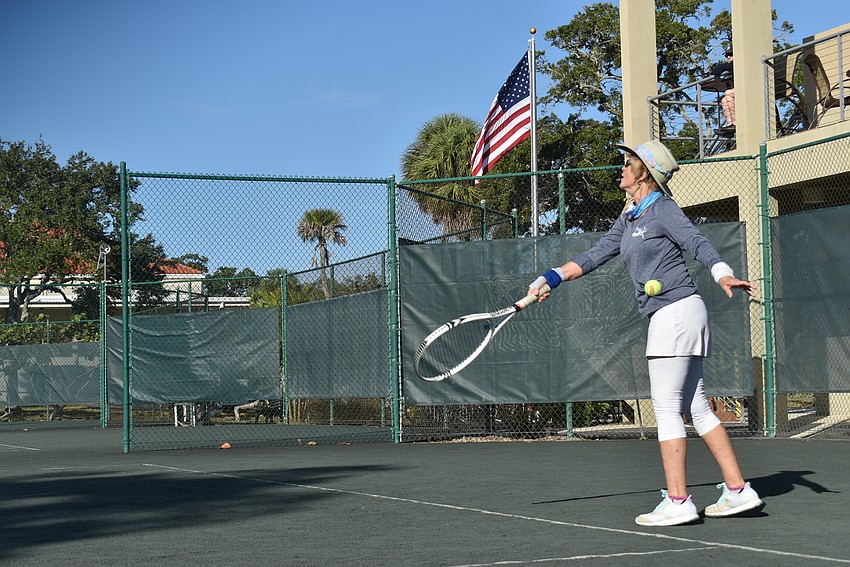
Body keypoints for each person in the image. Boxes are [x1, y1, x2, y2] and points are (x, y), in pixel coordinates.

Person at [528, 140, 762, 527]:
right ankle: (739, 491)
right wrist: (548, 278)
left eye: (628, 163)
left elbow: (697, 242)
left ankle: (678, 501)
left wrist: (722, 273)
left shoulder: (664, 210)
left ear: (645, 173)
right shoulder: (630, 218)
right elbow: (592, 256)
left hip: (675, 313)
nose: (621, 169)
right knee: (697, 407)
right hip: (678, 314)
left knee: (668, 410)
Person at [710, 49, 736, 134]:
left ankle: (735, 122)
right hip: (736, 91)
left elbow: (730, 66)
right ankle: (730, 123)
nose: (728, 57)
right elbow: (714, 71)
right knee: (725, 99)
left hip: (747, 88)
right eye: (726, 55)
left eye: (731, 55)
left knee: (727, 93)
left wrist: (726, 66)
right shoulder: (729, 65)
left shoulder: (740, 62)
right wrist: (726, 66)